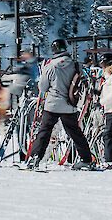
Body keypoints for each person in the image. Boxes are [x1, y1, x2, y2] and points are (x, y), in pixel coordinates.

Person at [24, 39, 96, 170]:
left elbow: (43, 87)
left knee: (45, 131)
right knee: (75, 132)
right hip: (70, 104)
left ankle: (35, 158)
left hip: (52, 104)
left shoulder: (50, 66)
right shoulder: (75, 65)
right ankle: (86, 159)